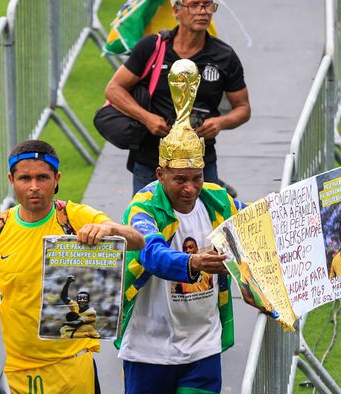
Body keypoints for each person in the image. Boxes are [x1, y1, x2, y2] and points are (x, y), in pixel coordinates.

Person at [115, 56, 262, 392]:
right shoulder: (143, 207)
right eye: (180, 179)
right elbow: (152, 254)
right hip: (149, 352)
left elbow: (258, 225)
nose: (190, 189)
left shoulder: (217, 200)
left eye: (197, 178)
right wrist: (195, 262)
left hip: (203, 349)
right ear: (159, 174)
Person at [0, 139, 145, 394]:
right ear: (11, 179)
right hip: (12, 373)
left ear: (57, 178)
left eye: (43, 177)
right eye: (25, 178)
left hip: (71, 369)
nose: (34, 187)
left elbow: (138, 240)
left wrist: (109, 228)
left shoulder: (74, 218)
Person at [104, 0, 250, 194]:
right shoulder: (151, 47)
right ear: (176, 10)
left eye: (207, 5)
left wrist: (220, 123)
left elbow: (243, 108)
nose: (202, 11)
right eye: (194, 5)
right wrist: (146, 118)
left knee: (207, 223)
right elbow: (114, 89)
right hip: (152, 161)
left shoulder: (224, 56)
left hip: (200, 164)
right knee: (147, 223)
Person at [221, 226, 273, 312]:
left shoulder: (241, 257)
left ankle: (268, 306)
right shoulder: (235, 258)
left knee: (252, 287)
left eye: (227, 240)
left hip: (250, 279)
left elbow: (253, 284)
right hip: (245, 278)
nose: (226, 243)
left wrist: (266, 305)